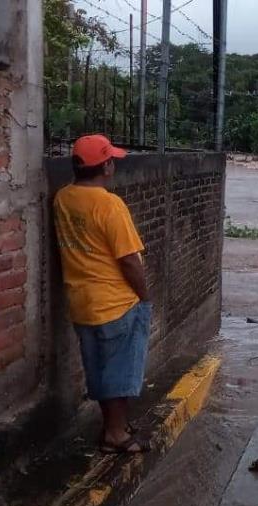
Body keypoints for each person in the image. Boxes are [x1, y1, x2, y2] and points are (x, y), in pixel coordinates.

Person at [53, 134, 152, 454]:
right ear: (106, 166)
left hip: (81, 301)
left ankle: (114, 427)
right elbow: (129, 260)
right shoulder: (110, 205)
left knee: (98, 370)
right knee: (121, 371)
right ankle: (115, 434)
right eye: (112, 161)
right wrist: (144, 296)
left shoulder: (63, 199)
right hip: (116, 302)